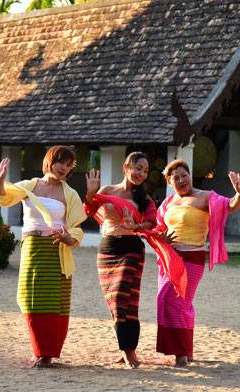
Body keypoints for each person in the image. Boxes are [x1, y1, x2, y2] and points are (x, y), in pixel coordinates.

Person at [0, 145, 86, 368]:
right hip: (32, 249)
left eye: (68, 165)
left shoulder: (69, 193)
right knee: (31, 300)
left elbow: (76, 227)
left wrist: (68, 239)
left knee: (55, 303)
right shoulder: (30, 185)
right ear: (49, 161)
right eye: (60, 162)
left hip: (56, 251)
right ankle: (40, 350)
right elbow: (4, 199)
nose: (63, 168)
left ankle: (46, 354)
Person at [155, 159, 240, 366]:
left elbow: (230, 206)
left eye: (183, 175)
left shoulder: (206, 197)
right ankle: (187, 350)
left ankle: (180, 355)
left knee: (175, 301)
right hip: (170, 259)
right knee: (173, 302)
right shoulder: (168, 203)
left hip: (192, 257)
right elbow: (158, 228)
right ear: (170, 183)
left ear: (190, 175)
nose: (181, 180)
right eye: (175, 178)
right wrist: (162, 240)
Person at [84, 152, 157, 369]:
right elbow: (89, 210)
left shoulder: (144, 199)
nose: (142, 174)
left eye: (145, 170)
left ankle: (127, 350)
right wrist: (90, 193)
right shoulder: (107, 191)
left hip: (132, 249)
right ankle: (127, 348)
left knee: (123, 299)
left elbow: (152, 222)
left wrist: (137, 226)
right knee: (116, 304)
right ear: (126, 167)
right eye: (138, 168)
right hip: (107, 249)